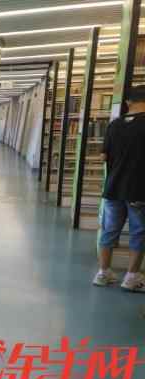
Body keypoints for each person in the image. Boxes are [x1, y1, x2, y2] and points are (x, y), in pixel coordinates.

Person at [93, 85, 145, 290]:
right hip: (139, 189)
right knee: (138, 233)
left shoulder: (114, 125)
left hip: (113, 187)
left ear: (128, 102)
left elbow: (103, 156)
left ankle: (103, 273)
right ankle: (131, 278)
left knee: (108, 231)